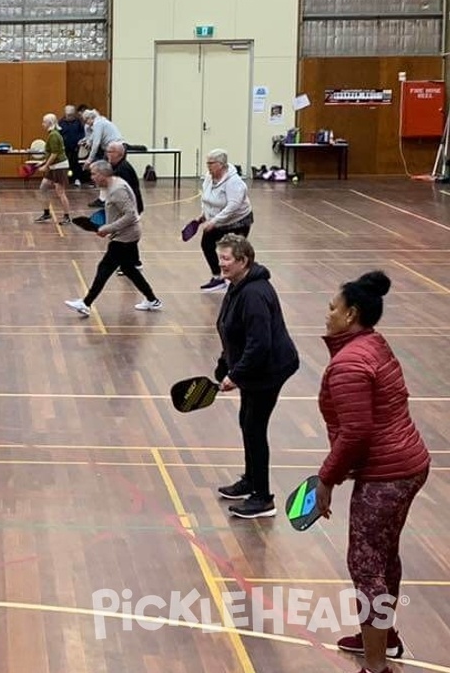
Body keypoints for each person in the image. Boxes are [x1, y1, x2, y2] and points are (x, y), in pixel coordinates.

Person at [313, 271, 429, 671]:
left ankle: (376, 666)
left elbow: (357, 432)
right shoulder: (373, 344)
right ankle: (383, 636)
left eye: (333, 308)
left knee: (365, 565)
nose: (327, 314)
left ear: (351, 315)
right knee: (383, 555)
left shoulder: (350, 363)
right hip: (409, 463)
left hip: (388, 474)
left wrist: (326, 478)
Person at [212, 235, 299, 519]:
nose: (221, 263)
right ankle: (250, 480)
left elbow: (259, 343)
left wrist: (235, 375)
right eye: (220, 257)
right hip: (255, 368)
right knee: (247, 422)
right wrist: (224, 363)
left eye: (226, 259)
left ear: (243, 261)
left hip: (269, 370)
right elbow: (231, 329)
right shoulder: (238, 285)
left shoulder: (254, 294)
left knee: (254, 426)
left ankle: (262, 498)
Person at [65, 161, 162, 317]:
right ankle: (152, 299)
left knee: (105, 267)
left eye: (94, 174)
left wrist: (108, 228)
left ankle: (86, 303)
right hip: (125, 233)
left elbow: (131, 215)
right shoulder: (112, 185)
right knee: (128, 269)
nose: (92, 177)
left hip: (126, 235)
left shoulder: (117, 190)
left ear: (103, 175)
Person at [190, 149, 253, 292]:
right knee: (207, 244)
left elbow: (233, 207)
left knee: (234, 252)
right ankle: (218, 278)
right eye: (207, 163)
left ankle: (240, 281)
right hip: (218, 218)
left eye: (211, 163)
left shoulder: (234, 183)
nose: (208, 166)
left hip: (238, 221)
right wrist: (203, 215)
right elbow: (206, 198)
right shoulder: (209, 176)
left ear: (221, 164)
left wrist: (214, 222)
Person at [106, 142, 144, 273]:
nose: (107, 154)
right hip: (128, 207)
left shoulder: (123, 169)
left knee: (126, 234)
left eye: (110, 152)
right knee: (127, 234)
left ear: (119, 154)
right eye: (107, 151)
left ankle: (130, 264)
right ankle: (134, 262)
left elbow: (124, 193)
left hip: (131, 207)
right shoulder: (116, 166)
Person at [33, 113, 71, 225]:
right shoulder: (52, 134)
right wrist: (43, 162)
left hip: (59, 167)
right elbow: (51, 153)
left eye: (44, 122)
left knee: (60, 192)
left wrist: (45, 166)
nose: (42, 124)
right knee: (43, 187)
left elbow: (55, 154)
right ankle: (46, 213)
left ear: (50, 123)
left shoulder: (53, 135)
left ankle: (67, 216)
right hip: (53, 166)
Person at [58, 105, 86, 186]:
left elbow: (83, 133)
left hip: (75, 147)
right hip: (64, 148)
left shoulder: (78, 122)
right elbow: (59, 134)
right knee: (64, 164)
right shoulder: (61, 122)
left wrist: (80, 140)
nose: (69, 116)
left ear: (74, 114)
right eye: (67, 114)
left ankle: (77, 179)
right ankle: (64, 179)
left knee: (75, 164)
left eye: (71, 115)